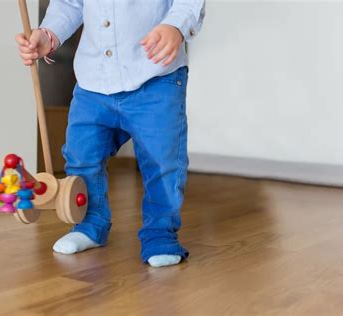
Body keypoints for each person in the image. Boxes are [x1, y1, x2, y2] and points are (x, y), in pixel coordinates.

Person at [15, 0, 205, 267]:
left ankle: (159, 233)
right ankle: (90, 222)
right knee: (82, 155)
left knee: (163, 162)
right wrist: (49, 34)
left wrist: (175, 26)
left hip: (155, 77)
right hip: (94, 81)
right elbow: (70, 4)